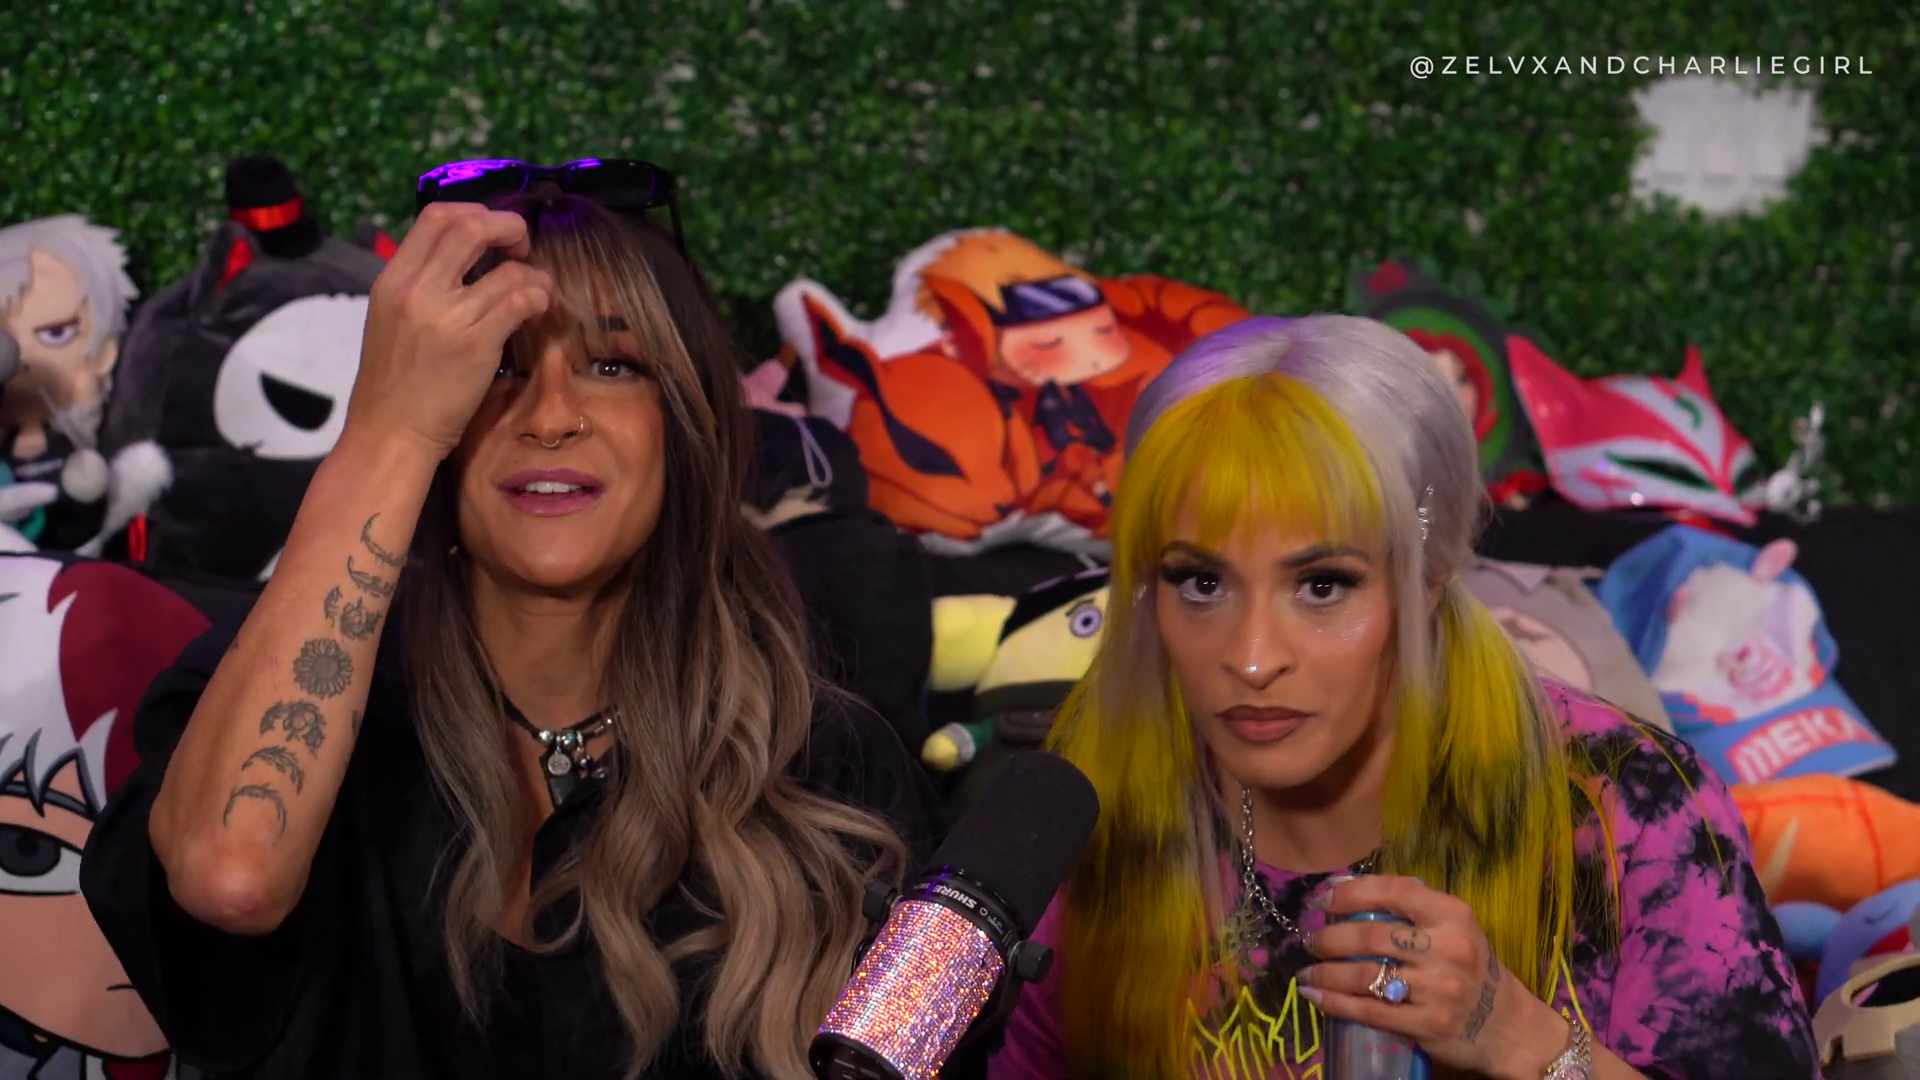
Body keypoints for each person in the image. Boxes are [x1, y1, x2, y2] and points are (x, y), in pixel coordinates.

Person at [78, 176, 944, 1079]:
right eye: (498, 365)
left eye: (614, 364)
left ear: (686, 428)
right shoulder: (275, 700)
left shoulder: (835, 762)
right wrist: (386, 434)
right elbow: (231, 879)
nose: (552, 416)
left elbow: (932, 1047)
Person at [987, 315, 1818, 1080]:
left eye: (1322, 585)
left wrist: (1528, 1043)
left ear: (1429, 578)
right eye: (1201, 582)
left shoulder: (1627, 799)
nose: (1251, 659)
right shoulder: (1100, 786)